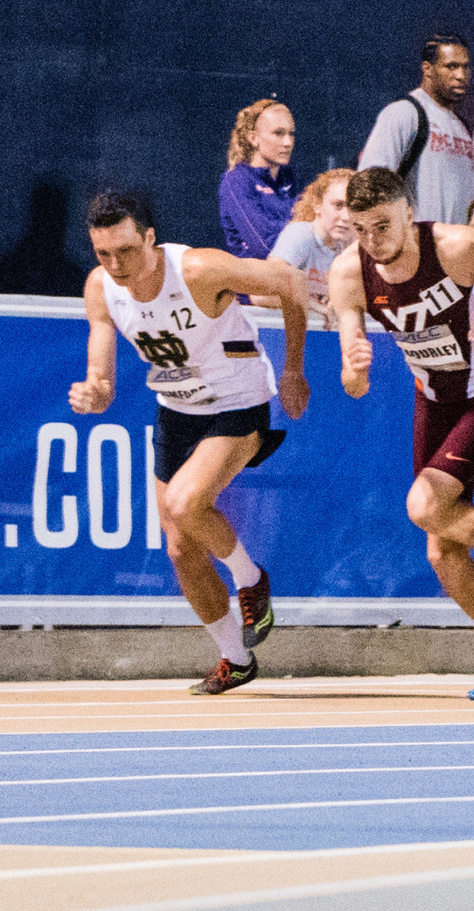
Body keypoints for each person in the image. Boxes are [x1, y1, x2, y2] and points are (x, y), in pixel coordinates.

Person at [69, 191, 309, 695]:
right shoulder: (102, 288)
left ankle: (250, 578)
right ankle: (235, 657)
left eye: (127, 251)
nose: (117, 265)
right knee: (179, 548)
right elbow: (104, 376)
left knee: (183, 503)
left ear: (151, 238)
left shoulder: (199, 270)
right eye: (104, 254)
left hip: (238, 400)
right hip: (177, 410)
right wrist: (95, 390)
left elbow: (290, 282)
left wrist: (292, 369)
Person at [330, 167, 474, 701]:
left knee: (424, 505)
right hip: (433, 400)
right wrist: (354, 369)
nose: (372, 242)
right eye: (360, 229)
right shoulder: (349, 274)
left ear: (410, 213)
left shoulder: (457, 246)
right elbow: (353, 381)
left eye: (382, 226)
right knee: (441, 555)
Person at [360, 35, 474, 225]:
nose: (461, 75)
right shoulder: (404, 113)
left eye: (465, 67)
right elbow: (370, 183)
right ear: (427, 69)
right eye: (451, 66)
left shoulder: (463, 127)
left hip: (457, 247)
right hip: (418, 245)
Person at [266, 168, 355, 326]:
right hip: (281, 334)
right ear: (317, 205)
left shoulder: (351, 246)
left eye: (354, 207)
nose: (346, 217)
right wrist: (314, 306)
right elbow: (262, 292)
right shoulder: (301, 234)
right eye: (338, 205)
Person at [218, 99, 301, 262]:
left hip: (291, 276)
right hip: (253, 283)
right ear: (253, 138)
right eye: (278, 133)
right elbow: (265, 247)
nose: (288, 142)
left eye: (291, 133)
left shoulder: (289, 176)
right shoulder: (236, 180)